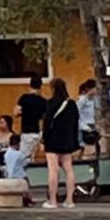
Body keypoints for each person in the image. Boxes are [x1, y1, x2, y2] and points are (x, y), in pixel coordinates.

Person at [40, 77, 81, 209]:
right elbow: (76, 123)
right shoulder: (72, 104)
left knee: (53, 170)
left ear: (52, 88)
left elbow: (46, 124)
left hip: (52, 140)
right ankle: (69, 200)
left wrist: (43, 140)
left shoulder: (50, 103)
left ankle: (52, 201)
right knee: (68, 169)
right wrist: (74, 141)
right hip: (67, 140)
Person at [16, 76, 48, 181]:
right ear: (41, 86)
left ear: (29, 85)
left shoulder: (24, 98)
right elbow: (44, 119)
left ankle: (20, 179)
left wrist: (24, 113)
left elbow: (16, 112)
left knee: (23, 157)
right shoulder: (44, 101)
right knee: (34, 157)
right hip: (38, 132)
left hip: (27, 132)